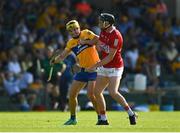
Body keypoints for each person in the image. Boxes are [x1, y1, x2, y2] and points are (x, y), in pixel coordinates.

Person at [83, 13, 137, 125]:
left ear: (108, 23)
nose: (99, 23)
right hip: (104, 66)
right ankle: (103, 119)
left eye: (101, 21)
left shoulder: (116, 36)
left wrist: (94, 66)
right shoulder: (103, 31)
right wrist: (87, 43)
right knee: (97, 92)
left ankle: (131, 113)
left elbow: (110, 57)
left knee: (113, 92)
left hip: (115, 67)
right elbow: (99, 43)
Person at [50, 20, 100, 125]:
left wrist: (85, 42)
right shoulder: (71, 43)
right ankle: (73, 119)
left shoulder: (86, 33)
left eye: (76, 29)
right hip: (82, 70)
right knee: (72, 95)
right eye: (72, 31)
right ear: (69, 33)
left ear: (79, 28)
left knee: (91, 95)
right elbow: (63, 55)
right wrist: (54, 61)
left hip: (94, 69)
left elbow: (97, 39)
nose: (75, 32)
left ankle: (101, 117)